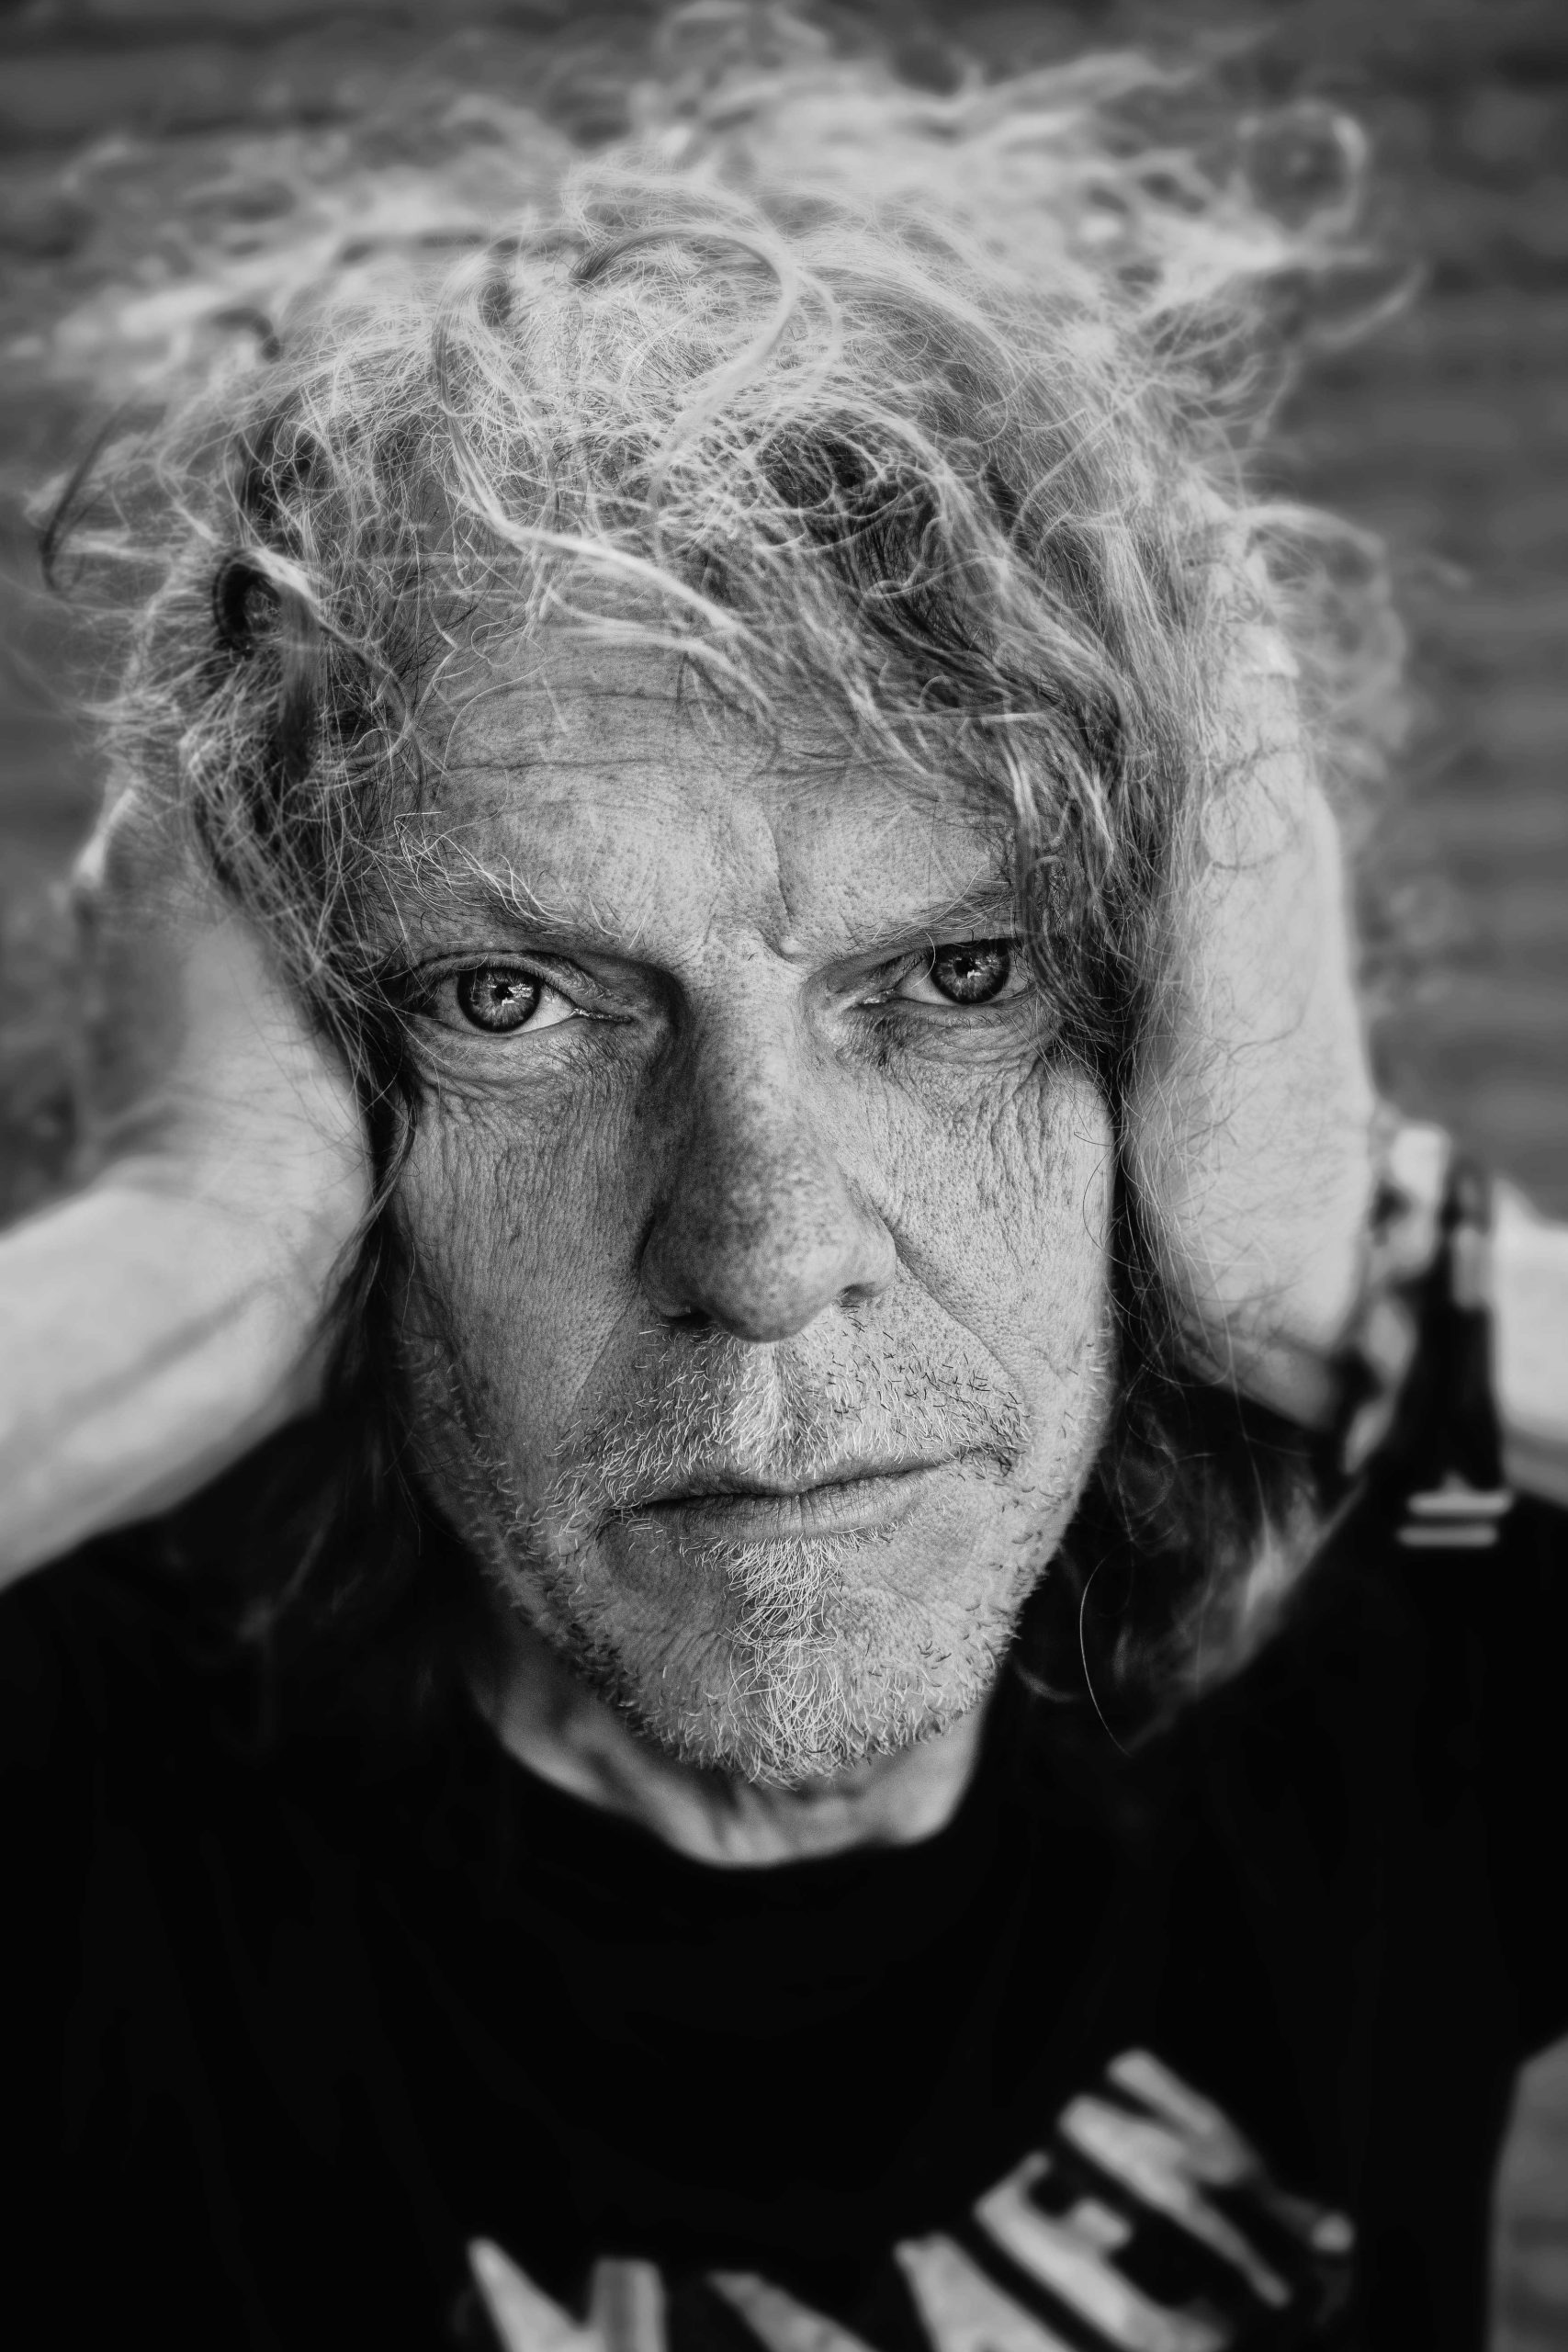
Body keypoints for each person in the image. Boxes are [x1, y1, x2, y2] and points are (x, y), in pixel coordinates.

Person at [2, 51, 1565, 2352]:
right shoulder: (95, 1784)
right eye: (511, 997)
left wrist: (1323, 1263)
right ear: (328, 1092)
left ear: (1168, 1036)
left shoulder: (1400, 1638)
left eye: (959, 974)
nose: (762, 1255)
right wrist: (193, 1247)